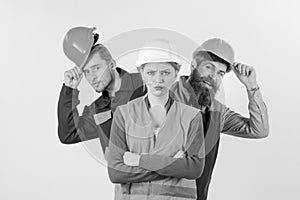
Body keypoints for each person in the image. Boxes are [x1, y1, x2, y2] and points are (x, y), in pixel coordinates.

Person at [105, 39, 205, 200]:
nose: (158, 80)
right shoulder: (123, 114)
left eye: (165, 72)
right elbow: (115, 172)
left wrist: (139, 160)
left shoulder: (192, 116)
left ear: (176, 74)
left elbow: (194, 169)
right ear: (142, 74)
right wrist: (173, 164)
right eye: (151, 72)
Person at [170, 38, 269, 200]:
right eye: (209, 67)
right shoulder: (165, 97)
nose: (213, 77)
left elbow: (259, 130)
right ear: (194, 65)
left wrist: (252, 86)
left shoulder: (217, 112)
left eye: (220, 73)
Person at [58, 27, 144, 152]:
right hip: (126, 171)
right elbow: (68, 135)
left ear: (112, 64)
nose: (92, 77)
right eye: (86, 71)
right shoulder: (98, 109)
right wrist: (69, 90)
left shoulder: (144, 83)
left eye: (96, 68)